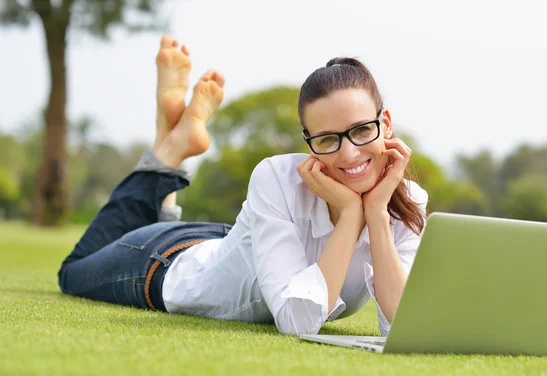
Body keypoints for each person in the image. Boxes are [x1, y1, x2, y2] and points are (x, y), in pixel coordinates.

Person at [58, 35, 428, 337]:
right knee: (72, 273)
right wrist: (350, 214)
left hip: (228, 241)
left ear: (387, 124)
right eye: (328, 139)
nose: (349, 153)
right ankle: (169, 146)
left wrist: (376, 213)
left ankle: (170, 137)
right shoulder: (276, 179)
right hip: (165, 264)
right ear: (308, 142)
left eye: (363, 130)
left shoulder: (405, 200)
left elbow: (403, 322)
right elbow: (296, 322)